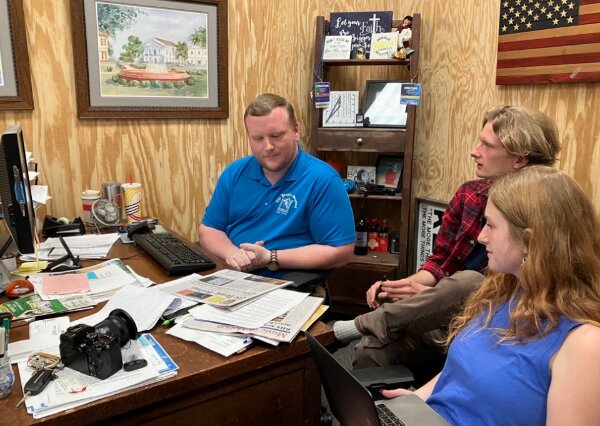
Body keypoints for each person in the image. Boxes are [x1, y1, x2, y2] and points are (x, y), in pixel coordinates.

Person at [333, 105, 561, 370]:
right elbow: (440, 261)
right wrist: (406, 287)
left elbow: (539, 292)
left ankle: (358, 325)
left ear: (520, 160)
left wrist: (438, 296)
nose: (474, 151)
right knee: (371, 349)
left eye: (487, 146)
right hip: (447, 314)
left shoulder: (549, 210)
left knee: (470, 282)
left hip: (499, 322)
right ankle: (383, 410)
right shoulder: (469, 194)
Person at [381, 166, 600, 425]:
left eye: (491, 226)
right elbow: (459, 372)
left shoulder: (584, 344)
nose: (481, 236)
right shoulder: (502, 292)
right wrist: (417, 401)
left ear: (530, 242)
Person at [198, 93, 355, 277]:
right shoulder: (235, 172)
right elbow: (209, 229)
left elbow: (341, 251)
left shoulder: (322, 180)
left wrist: (270, 257)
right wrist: (233, 254)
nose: (268, 146)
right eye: (258, 138)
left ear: (296, 130)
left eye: (276, 135)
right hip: (231, 276)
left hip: (286, 284)